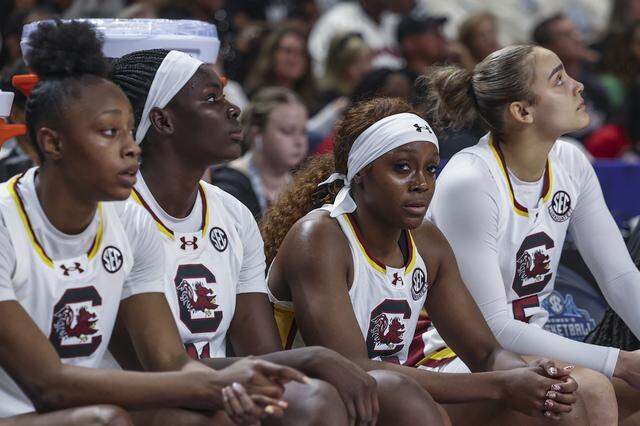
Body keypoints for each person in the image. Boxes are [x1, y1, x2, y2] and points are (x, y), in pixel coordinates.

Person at [0, 20, 304, 424]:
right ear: (52, 142)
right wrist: (219, 384)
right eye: (110, 132)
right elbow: (48, 383)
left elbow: (170, 362)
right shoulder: (6, 221)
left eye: (129, 130)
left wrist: (235, 384)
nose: (130, 148)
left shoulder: (130, 225)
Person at [262, 96, 591, 425]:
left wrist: (528, 377)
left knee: (555, 404)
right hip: (311, 402)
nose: (421, 183)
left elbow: (485, 353)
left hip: (392, 396)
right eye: (402, 168)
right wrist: (501, 384)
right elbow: (352, 370)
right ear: (361, 173)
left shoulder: (428, 242)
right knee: (415, 407)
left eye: (430, 168)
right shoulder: (319, 237)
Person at [108, 47, 382, 426]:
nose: (233, 109)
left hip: (217, 384)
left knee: (369, 394)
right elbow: (157, 370)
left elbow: (260, 351)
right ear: (163, 121)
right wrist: (311, 356)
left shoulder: (233, 214)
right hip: (139, 397)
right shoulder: (118, 215)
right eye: (211, 99)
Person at [420, 43, 640, 423]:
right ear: (522, 112)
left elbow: (619, 277)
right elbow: (494, 327)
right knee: (592, 389)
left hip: (530, 350)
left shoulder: (570, 160)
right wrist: (618, 360)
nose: (578, 86)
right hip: (454, 355)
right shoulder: (471, 180)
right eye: (559, 80)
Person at [210, 87, 309, 219]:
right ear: (257, 134)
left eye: (303, 132)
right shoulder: (229, 185)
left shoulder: (303, 185)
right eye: (287, 131)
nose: (299, 142)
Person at [244, 26, 319, 114]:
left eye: (301, 52)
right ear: (272, 55)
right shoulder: (252, 98)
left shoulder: (315, 101)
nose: (295, 58)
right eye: (288, 51)